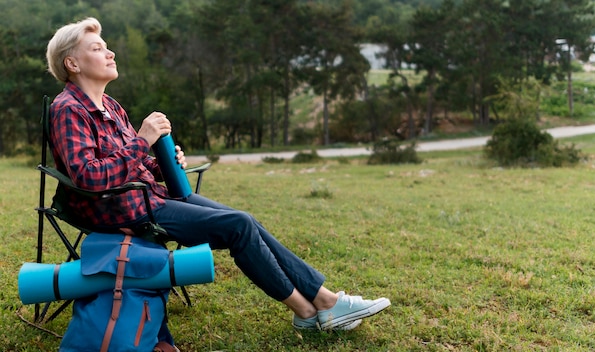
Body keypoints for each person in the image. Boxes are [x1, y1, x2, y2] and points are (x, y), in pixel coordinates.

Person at [45, 16, 390, 341]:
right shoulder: (68, 109)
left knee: (245, 221)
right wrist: (142, 141)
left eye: (106, 46)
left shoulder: (111, 106)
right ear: (72, 64)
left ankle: (321, 305)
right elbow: (89, 176)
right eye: (97, 48)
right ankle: (314, 308)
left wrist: (163, 164)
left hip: (148, 195)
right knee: (237, 225)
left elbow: (130, 164)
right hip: (121, 210)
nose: (110, 52)